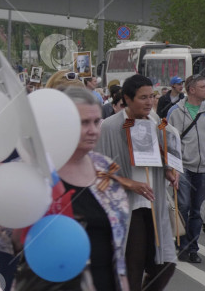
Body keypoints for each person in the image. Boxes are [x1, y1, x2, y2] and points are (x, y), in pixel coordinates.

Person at [95, 74, 180, 291]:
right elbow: (98, 171)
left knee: (166, 264)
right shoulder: (109, 127)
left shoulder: (157, 123)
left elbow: (167, 152)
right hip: (129, 206)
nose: (150, 102)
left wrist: (169, 169)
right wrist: (129, 183)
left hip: (155, 202)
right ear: (127, 99)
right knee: (133, 264)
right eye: (143, 97)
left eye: (151, 96)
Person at [55, 87, 130, 290]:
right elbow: (7, 240)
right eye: (84, 123)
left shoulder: (105, 167)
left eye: (97, 122)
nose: (93, 130)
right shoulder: (42, 171)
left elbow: (117, 243)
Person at [166, 75, 205, 263]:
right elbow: (168, 139)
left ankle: (192, 248)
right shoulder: (175, 111)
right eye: (203, 86)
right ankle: (181, 244)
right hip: (182, 166)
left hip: (204, 167)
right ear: (191, 90)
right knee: (183, 206)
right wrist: (171, 166)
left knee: (198, 209)